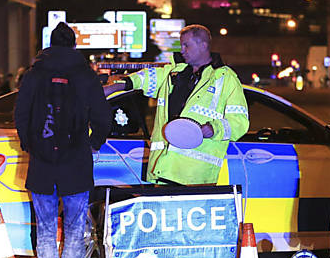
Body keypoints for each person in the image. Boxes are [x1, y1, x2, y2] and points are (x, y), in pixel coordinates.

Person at [15, 23, 111, 258]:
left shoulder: (34, 75)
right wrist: (93, 144)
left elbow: (21, 114)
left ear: (50, 44)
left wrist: (29, 144)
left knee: (45, 228)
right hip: (75, 162)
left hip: (42, 164)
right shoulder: (85, 76)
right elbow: (103, 116)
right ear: (74, 45)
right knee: (73, 228)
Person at [102, 24, 249, 186]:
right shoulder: (174, 73)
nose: (182, 50)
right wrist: (113, 87)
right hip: (164, 170)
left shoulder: (225, 78)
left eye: (187, 45)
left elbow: (239, 121)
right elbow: (143, 79)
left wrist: (215, 128)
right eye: (181, 45)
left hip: (195, 176)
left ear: (203, 45)